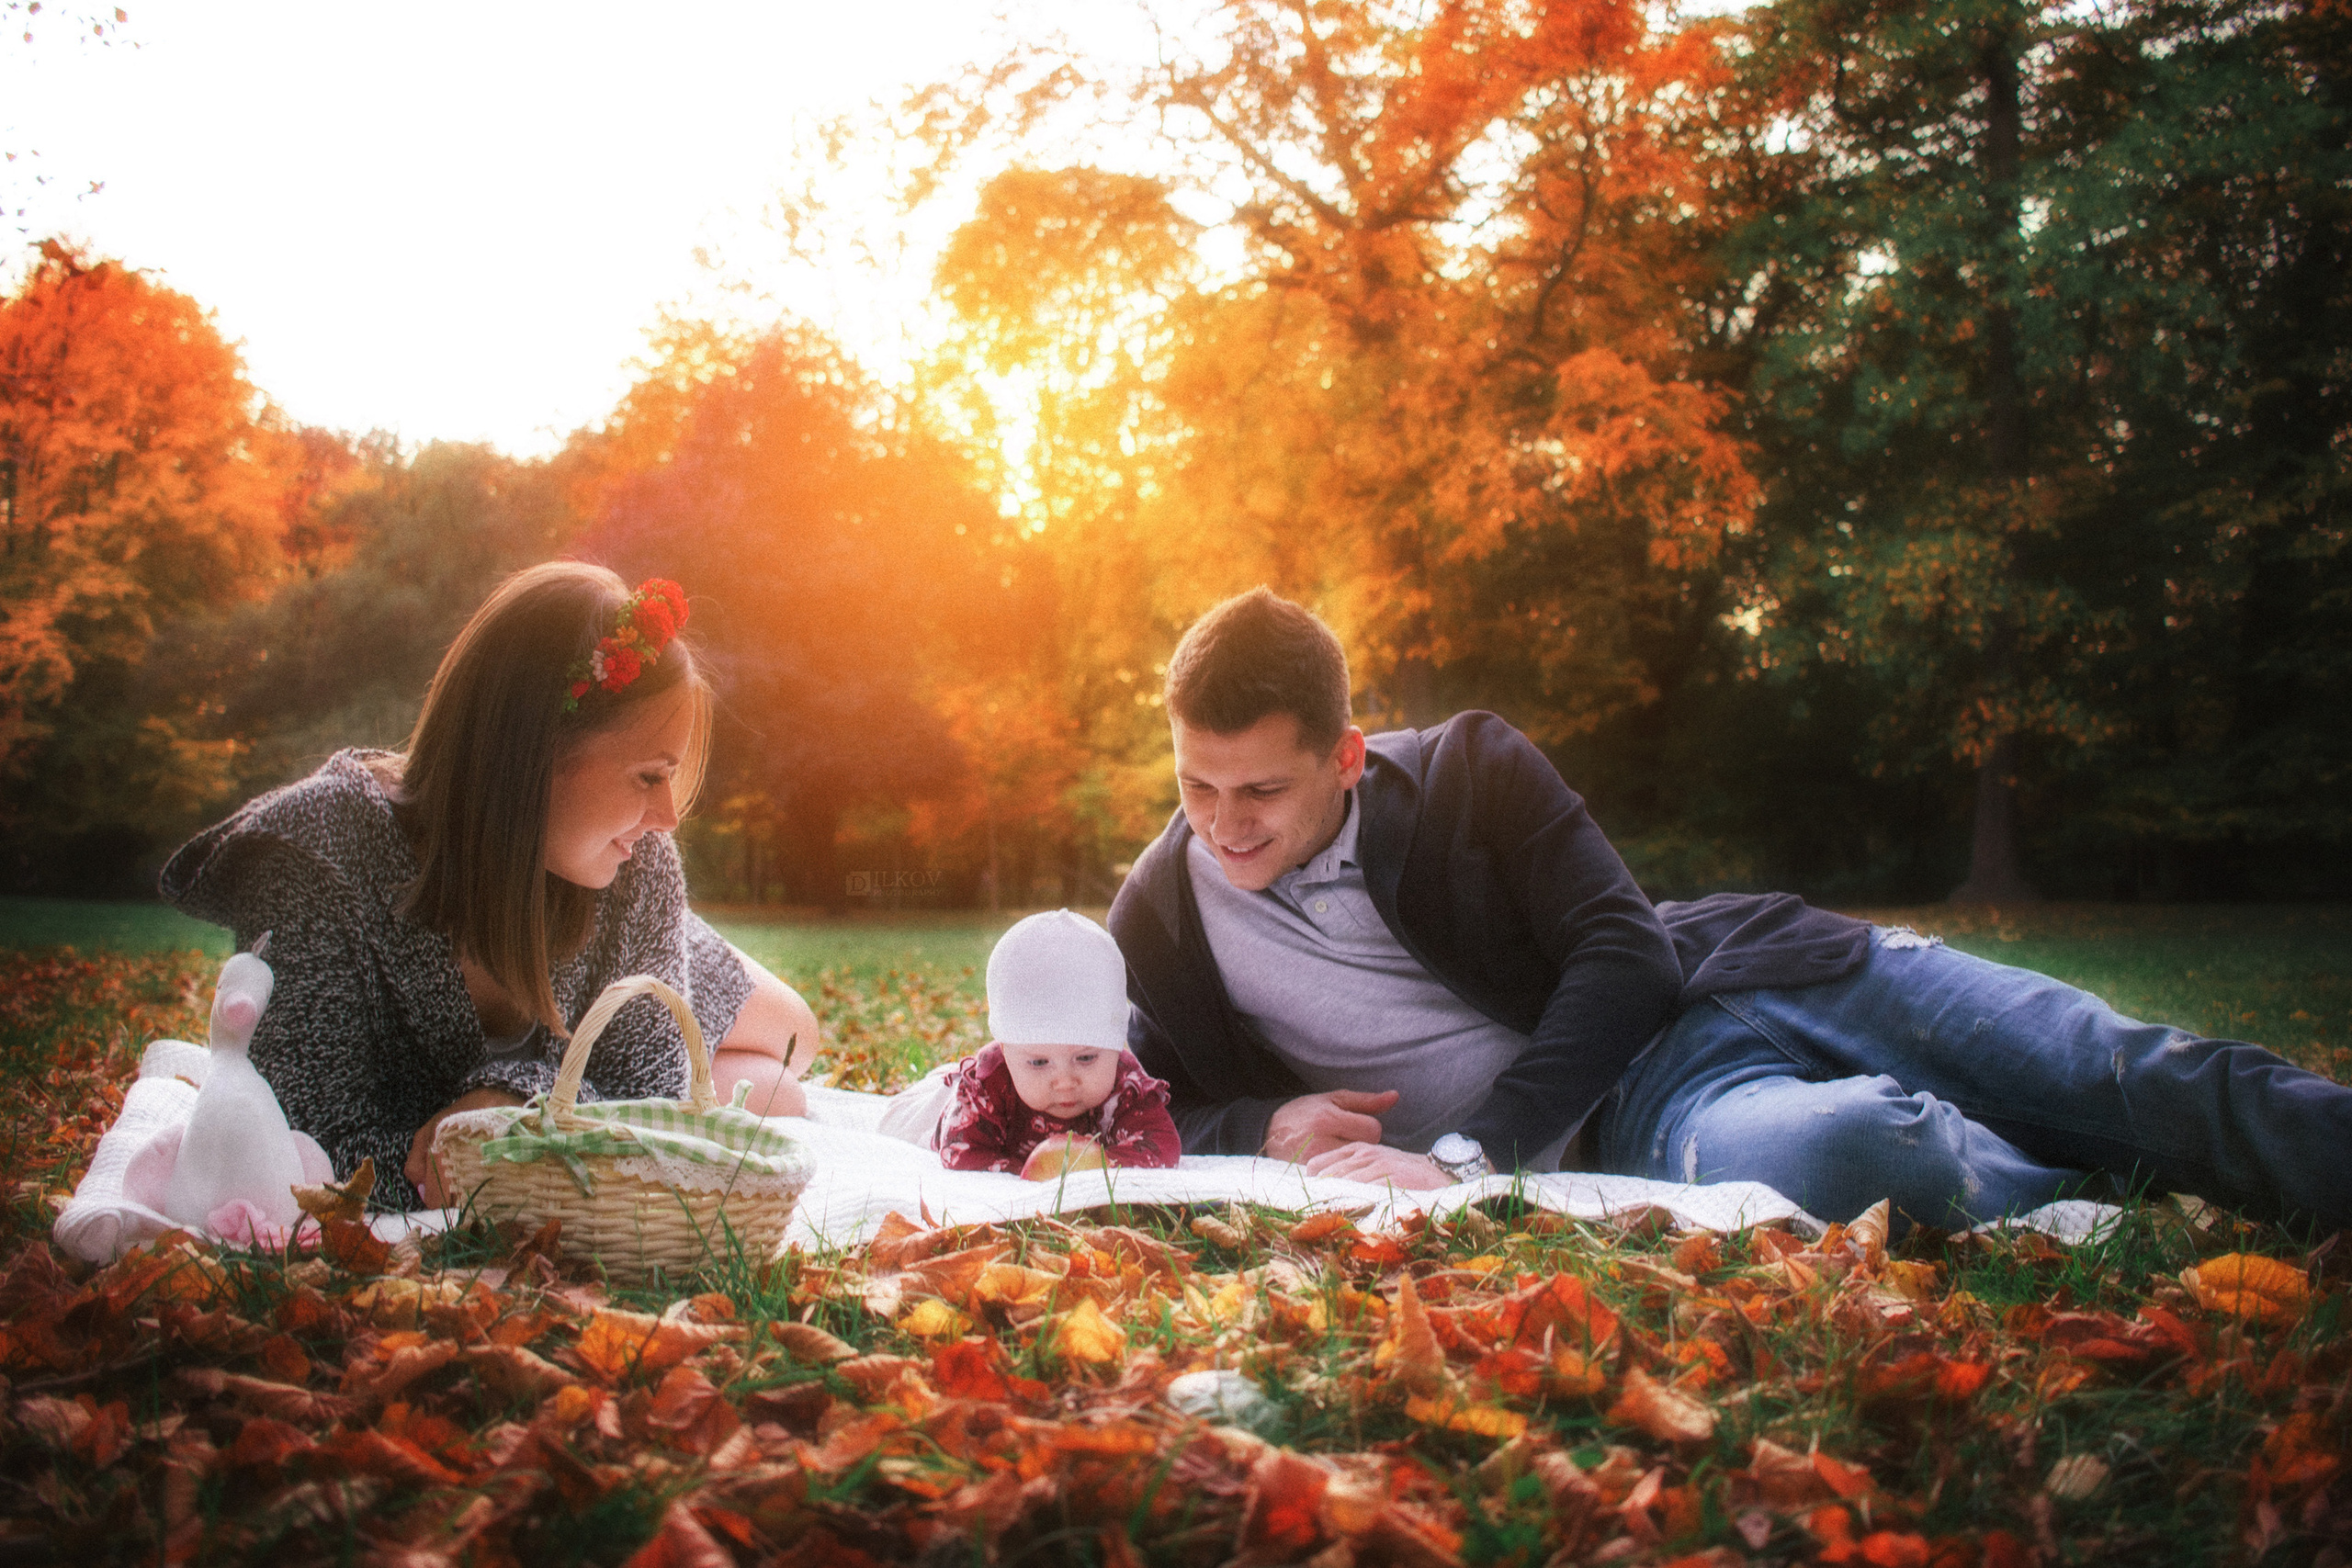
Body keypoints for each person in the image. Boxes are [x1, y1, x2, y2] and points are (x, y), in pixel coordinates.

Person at [1108, 587, 2352, 1233]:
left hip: (1767, 973)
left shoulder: (1469, 768)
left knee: (2118, 1061)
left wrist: (1467, 1149)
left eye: (1262, 788)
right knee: (1868, 1149)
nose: (1226, 823)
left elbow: (1624, 948)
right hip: (1657, 1118)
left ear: (1346, 754)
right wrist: (1265, 1119)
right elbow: (1129, 1107)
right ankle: (2086, 1184)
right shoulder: (1161, 917)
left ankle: (2191, 1142)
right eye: (1195, 785)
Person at [161, 562, 819, 1212]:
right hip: (526, 887)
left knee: (797, 1036)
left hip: (601, 899)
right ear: (531, 756)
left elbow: (653, 1095)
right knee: (778, 1094)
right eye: (649, 776)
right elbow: (301, 1151)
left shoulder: (641, 861)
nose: (669, 817)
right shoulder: (318, 858)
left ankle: (691, 968)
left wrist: (513, 1105)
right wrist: (483, 1148)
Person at [876, 909, 1181, 1175]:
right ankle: (948, 1080)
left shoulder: (1123, 1081)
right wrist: (1031, 1174)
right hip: (944, 1107)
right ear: (1006, 1051)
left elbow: (1162, 1145)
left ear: (1115, 1047)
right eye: (1038, 1062)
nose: (1064, 1082)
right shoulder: (990, 1081)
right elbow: (962, 1153)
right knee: (893, 1122)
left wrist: (1093, 1169)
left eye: (1085, 1058)